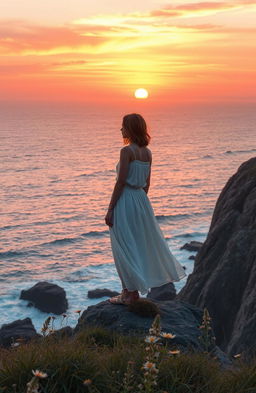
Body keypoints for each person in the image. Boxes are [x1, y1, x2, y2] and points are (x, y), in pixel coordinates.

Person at [105, 113, 186, 305]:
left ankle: (129, 293)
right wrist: (140, 205)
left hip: (125, 199)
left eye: (123, 126)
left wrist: (110, 209)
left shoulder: (127, 151)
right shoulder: (147, 153)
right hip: (141, 200)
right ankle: (131, 291)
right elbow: (147, 183)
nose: (121, 129)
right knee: (137, 244)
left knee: (123, 246)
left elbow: (121, 181)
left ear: (131, 129)